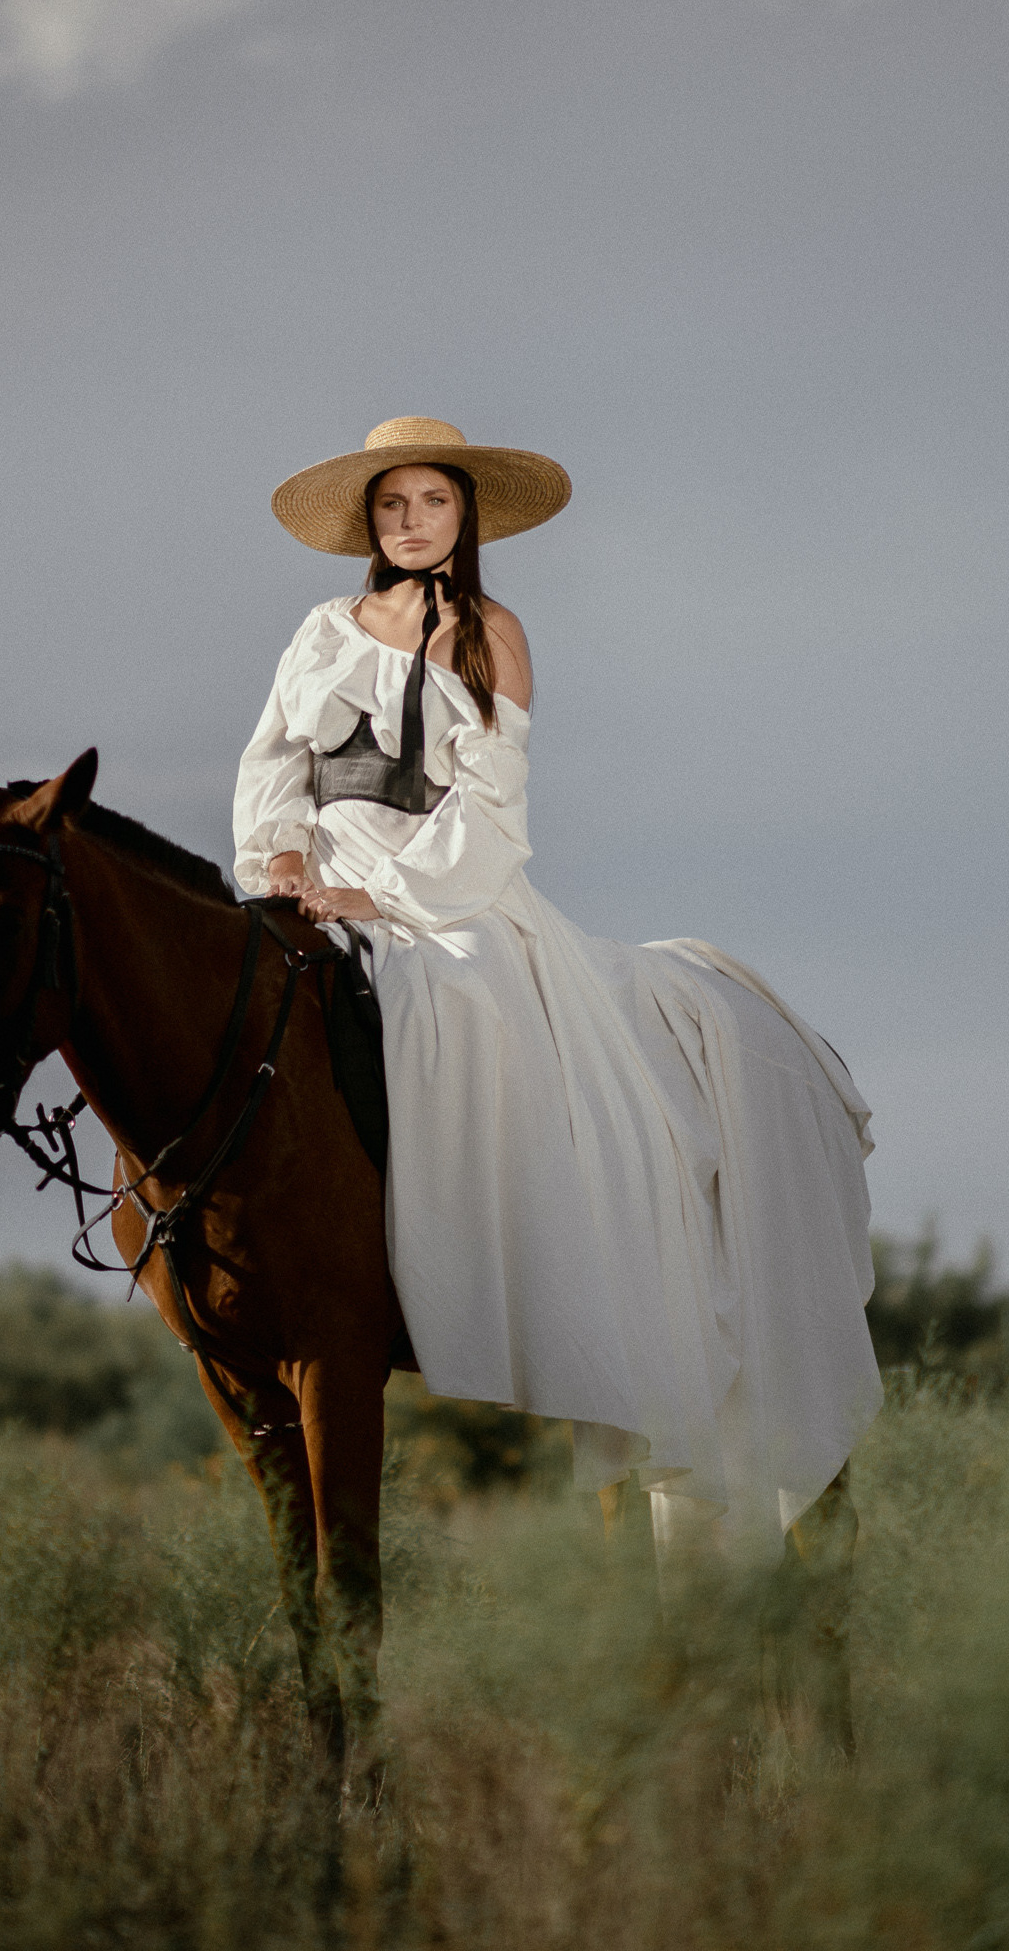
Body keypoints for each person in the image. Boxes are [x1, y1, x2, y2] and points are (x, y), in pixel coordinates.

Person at [233, 415, 882, 1566]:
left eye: (431, 502)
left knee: (470, 993)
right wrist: (282, 857)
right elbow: (274, 759)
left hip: (440, 886)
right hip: (319, 869)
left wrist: (388, 899)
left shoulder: (493, 634)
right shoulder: (322, 631)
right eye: (392, 505)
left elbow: (491, 813)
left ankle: (503, 1240)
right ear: (368, 522)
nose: (411, 521)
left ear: (462, 515)